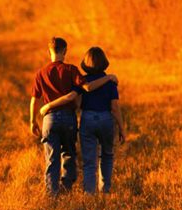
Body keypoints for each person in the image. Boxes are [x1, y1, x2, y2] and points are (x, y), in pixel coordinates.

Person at [30, 37, 118, 196]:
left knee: (52, 159)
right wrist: (109, 77)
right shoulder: (71, 70)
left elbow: (34, 100)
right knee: (70, 153)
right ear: (65, 51)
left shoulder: (40, 73)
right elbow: (86, 90)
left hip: (49, 119)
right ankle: (68, 187)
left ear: (48, 51)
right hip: (71, 118)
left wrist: (33, 120)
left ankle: (53, 194)